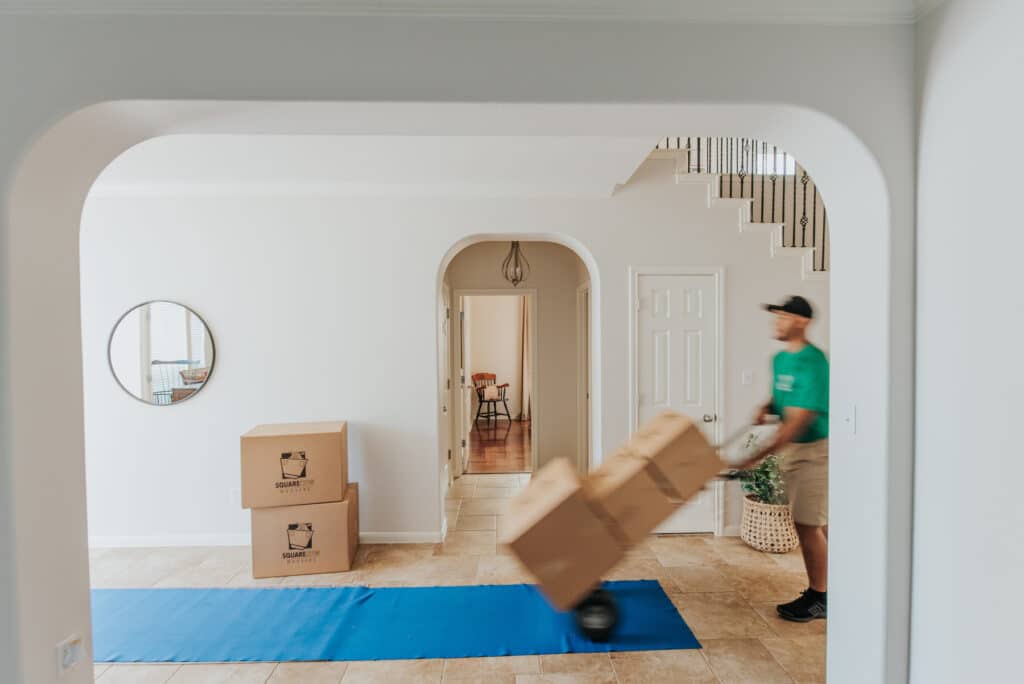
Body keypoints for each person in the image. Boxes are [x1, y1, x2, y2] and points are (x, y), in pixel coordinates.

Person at [737, 295, 829, 623]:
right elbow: (783, 401)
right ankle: (836, 585)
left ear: (802, 322)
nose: (777, 321)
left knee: (809, 525)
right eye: (775, 316)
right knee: (816, 522)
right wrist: (767, 407)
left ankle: (821, 598)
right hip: (794, 451)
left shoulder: (815, 362)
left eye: (784, 317)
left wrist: (756, 456)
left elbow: (798, 421)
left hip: (815, 451)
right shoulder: (779, 360)